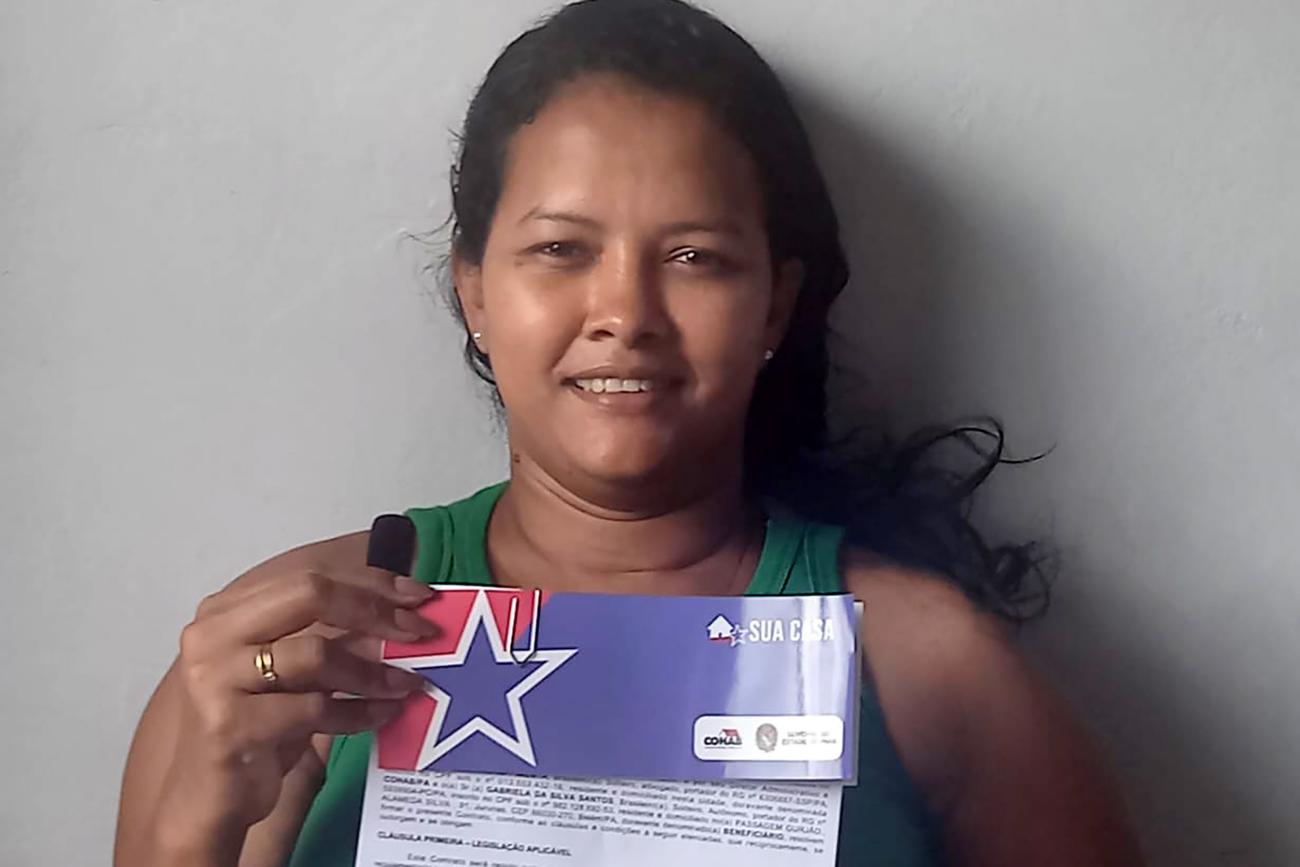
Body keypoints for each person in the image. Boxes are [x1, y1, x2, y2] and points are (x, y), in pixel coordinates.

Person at [113, 1, 1144, 864]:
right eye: (561, 249)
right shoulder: (292, 652)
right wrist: (192, 827)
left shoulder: (929, 668)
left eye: (694, 257)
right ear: (475, 290)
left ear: (775, 306)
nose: (625, 312)